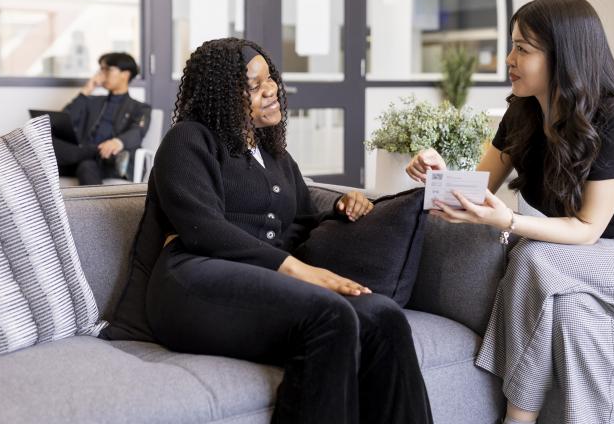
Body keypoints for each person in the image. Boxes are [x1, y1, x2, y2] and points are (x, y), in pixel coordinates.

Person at [105, 38, 432, 424]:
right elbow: (204, 230)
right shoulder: (189, 140)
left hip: (259, 282)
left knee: (383, 314)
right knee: (329, 314)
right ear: (223, 96)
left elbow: (303, 225)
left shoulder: (276, 155)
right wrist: (297, 269)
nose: (271, 89)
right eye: (254, 86)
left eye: (270, 78)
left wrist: (344, 210)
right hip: (189, 282)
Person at [405, 0, 614, 424]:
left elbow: (587, 229)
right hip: (577, 268)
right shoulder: (521, 113)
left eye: (523, 49)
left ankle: (516, 421)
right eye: (512, 46)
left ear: (563, 56)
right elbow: (478, 189)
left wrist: (508, 221)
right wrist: (439, 174)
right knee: (574, 313)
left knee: (532, 253)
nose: (509, 59)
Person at [52, 52, 151, 185]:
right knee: (43, 140)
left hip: (109, 160)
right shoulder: (92, 102)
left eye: (107, 69)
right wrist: (87, 90)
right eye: (101, 69)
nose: (101, 74)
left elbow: (137, 132)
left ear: (125, 74)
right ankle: (90, 151)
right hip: (80, 157)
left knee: (86, 166)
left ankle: (89, 152)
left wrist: (118, 142)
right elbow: (63, 122)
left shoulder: (140, 108)